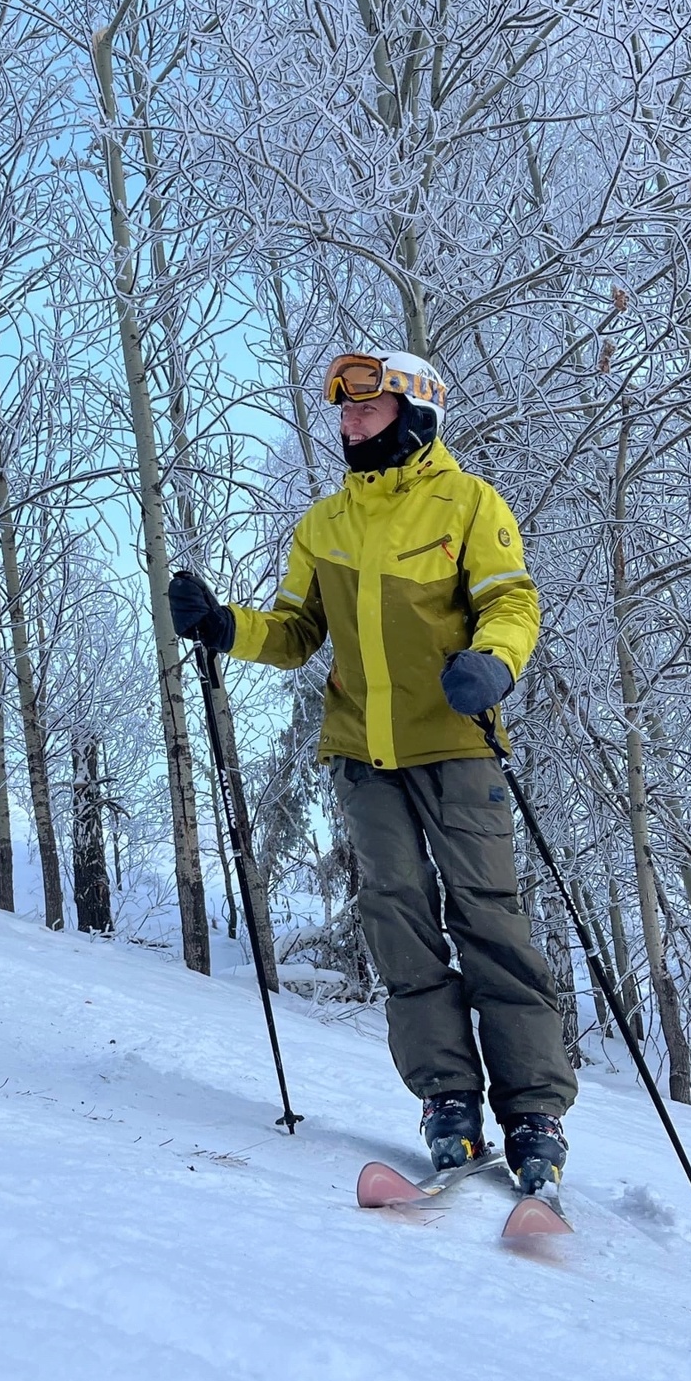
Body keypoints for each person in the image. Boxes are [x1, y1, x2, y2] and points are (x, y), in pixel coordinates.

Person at [168, 350, 577, 1195]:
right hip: (364, 756)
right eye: (345, 411)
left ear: (414, 411)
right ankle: (448, 1101)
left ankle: (534, 1110)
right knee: (397, 920)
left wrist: (494, 664)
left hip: (459, 744)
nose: (350, 423)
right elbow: (292, 634)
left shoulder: (468, 504)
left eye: (368, 408)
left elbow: (512, 600)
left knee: (488, 919)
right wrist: (220, 626)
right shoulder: (325, 524)